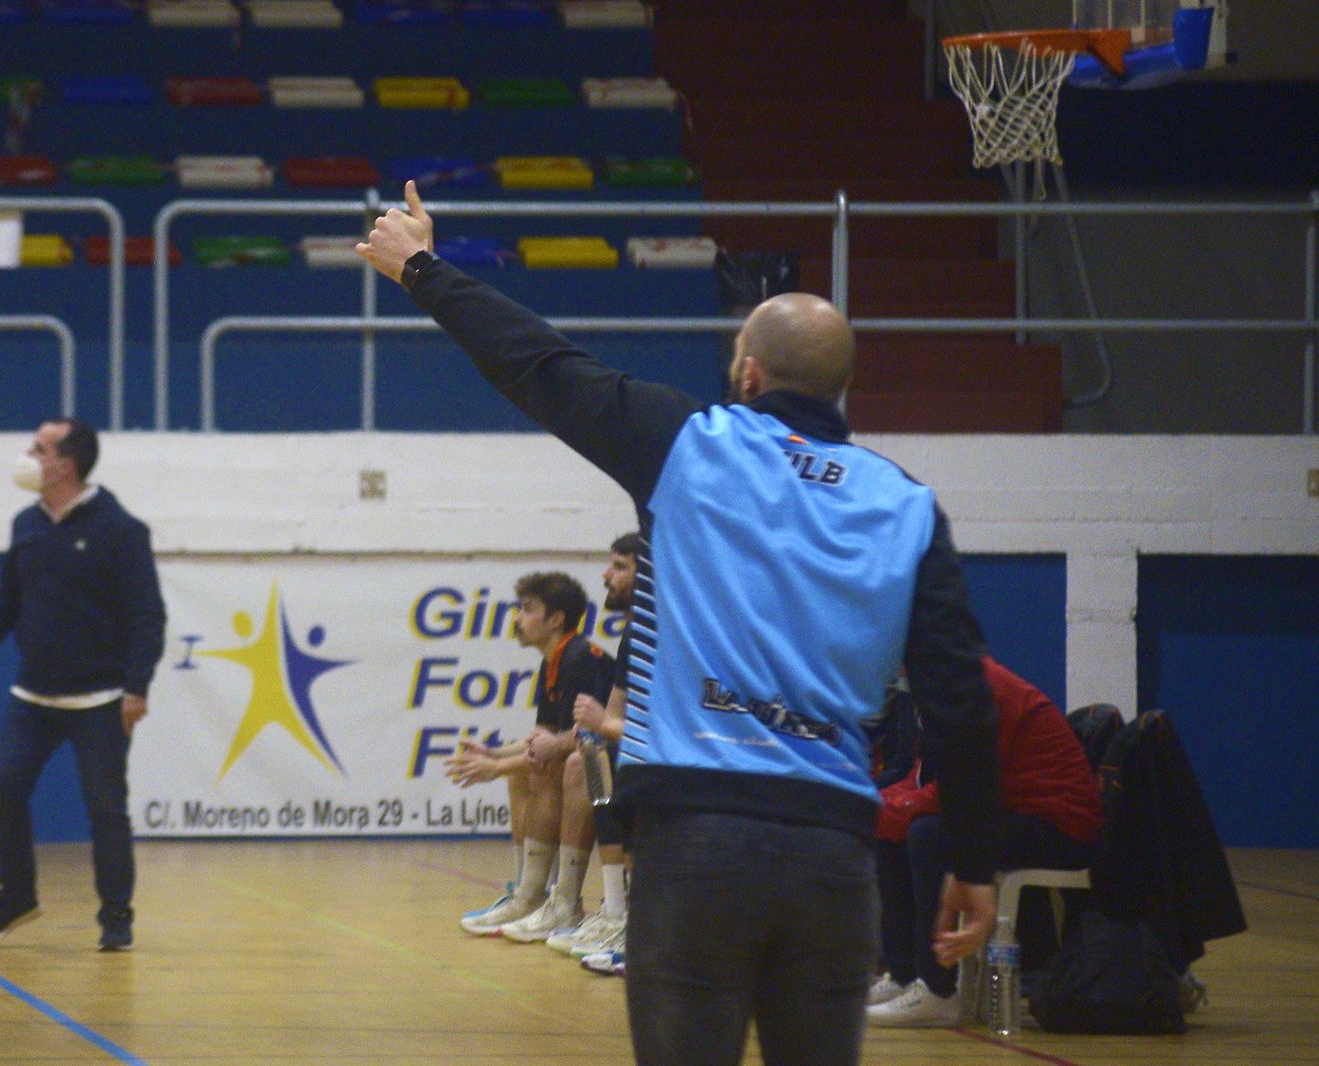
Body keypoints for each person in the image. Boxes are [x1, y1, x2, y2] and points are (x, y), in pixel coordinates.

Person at [357, 183, 1001, 1066]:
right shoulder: (907, 505)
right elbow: (962, 702)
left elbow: (539, 363)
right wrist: (974, 861)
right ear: (844, 386)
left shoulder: (687, 445)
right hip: (833, 854)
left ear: (748, 373)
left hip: (697, 844)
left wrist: (423, 270)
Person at [0, 418, 166, 952]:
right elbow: (7, 598)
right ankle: (16, 897)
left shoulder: (121, 530)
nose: (27, 455)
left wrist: (136, 687)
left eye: (38, 448)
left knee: (106, 811)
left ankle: (116, 917)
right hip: (34, 695)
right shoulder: (25, 524)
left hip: (101, 700)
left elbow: (148, 617)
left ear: (64, 465)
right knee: (4, 788)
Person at [866, 656, 1103, 1027]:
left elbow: (967, 786)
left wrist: (891, 808)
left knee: (927, 835)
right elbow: (922, 778)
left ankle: (937, 990)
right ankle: (904, 974)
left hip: (1058, 824)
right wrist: (878, 804)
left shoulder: (977, 690)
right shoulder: (937, 690)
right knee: (889, 827)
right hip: (1011, 810)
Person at [449, 572, 615, 941]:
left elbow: (579, 741)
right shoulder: (554, 660)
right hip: (593, 754)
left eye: (527, 609)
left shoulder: (579, 658)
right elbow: (544, 737)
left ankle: (564, 902)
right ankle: (528, 894)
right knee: (525, 770)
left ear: (556, 619)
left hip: (617, 762)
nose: (517, 618)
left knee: (559, 765)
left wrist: (494, 767)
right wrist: (496, 754)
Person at [548, 533, 639, 970]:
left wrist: (604, 725)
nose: (606, 575)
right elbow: (614, 717)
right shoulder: (633, 636)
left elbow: (667, 727)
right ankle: (612, 908)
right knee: (593, 754)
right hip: (641, 748)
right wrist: (598, 728)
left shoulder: (668, 634)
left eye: (620, 566)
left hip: (676, 759)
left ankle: (631, 916)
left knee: (603, 758)